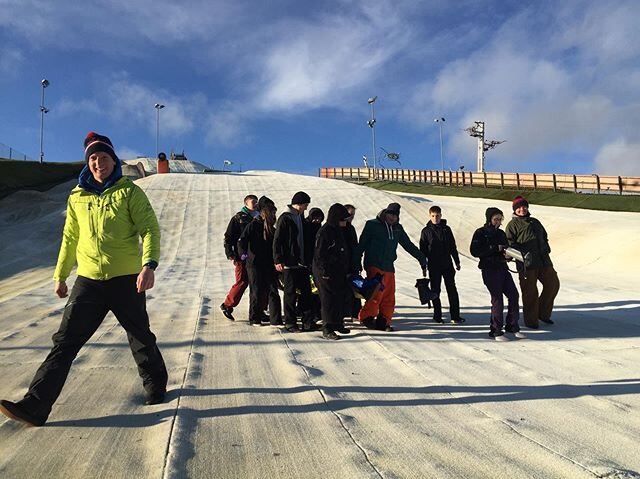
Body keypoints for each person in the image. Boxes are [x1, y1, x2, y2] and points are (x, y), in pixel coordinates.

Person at [0, 132, 168, 427]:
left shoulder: (128, 192)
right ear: (87, 163)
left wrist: (148, 265)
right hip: (88, 279)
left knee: (139, 334)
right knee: (65, 342)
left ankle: (156, 383)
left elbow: (150, 229)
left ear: (113, 161)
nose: (98, 163)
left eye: (103, 157)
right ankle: (36, 405)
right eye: (93, 158)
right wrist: (61, 274)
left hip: (126, 278)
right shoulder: (77, 196)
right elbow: (70, 237)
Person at [354, 202, 426, 332]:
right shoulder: (372, 225)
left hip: (389, 266)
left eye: (395, 215)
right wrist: (356, 261)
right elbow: (362, 244)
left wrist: (422, 259)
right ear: (385, 213)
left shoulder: (398, 229)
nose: (392, 217)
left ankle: (384, 321)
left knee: (389, 295)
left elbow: (408, 245)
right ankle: (367, 317)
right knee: (376, 292)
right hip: (374, 263)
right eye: (390, 214)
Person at [505, 196, 560, 329]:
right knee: (530, 292)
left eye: (524, 207)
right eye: (519, 208)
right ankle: (531, 321)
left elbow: (544, 235)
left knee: (553, 285)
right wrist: (518, 255)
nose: (522, 209)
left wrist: (545, 247)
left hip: (544, 260)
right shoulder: (512, 225)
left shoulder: (535, 221)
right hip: (526, 264)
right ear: (515, 210)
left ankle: (543, 314)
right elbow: (509, 243)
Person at [470, 208, 523, 340]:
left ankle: (512, 325)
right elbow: (475, 251)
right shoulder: (480, 233)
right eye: (495, 219)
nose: (498, 222)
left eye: (500, 219)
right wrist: (494, 248)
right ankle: (496, 330)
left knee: (513, 295)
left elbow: (506, 247)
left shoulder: (501, 233)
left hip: (502, 267)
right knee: (497, 299)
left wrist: (508, 255)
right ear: (489, 219)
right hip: (489, 269)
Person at [273, 191, 317, 332]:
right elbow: (277, 240)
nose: (306, 208)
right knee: (290, 294)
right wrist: (278, 259)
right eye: (305, 205)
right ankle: (290, 323)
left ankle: (308, 322)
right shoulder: (285, 218)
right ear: (298, 204)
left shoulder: (301, 218)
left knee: (307, 293)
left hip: (302, 263)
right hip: (289, 263)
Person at [238, 196, 283, 326]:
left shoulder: (272, 229)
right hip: (254, 264)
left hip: (269, 263)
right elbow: (242, 240)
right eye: (272, 212)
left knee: (273, 290)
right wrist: (244, 255)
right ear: (265, 213)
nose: (274, 215)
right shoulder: (254, 225)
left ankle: (276, 319)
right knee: (256, 290)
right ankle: (254, 318)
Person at [312, 203, 352, 340]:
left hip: (338, 271)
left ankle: (337, 323)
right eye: (343, 219)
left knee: (339, 297)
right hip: (325, 272)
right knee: (328, 299)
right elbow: (319, 255)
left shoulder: (338, 230)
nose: (345, 222)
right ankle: (327, 327)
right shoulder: (325, 232)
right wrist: (324, 271)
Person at [419, 205, 465, 324]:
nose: (435, 218)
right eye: (433, 216)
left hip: (447, 264)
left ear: (441, 215)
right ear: (430, 216)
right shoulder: (426, 231)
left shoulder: (446, 229)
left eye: (437, 215)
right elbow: (422, 250)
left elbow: (452, 246)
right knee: (435, 290)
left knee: (452, 289)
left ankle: (455, 316)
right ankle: (437, 316)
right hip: (434, 265)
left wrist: (457, 261)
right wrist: (423, 266)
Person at [220, 194, 259, 321]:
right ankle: (227, 305)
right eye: (253, 201)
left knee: (256, 283)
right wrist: (230, 253)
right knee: (242, 281)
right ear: (246, 203)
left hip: (256, 256)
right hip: (241, 256)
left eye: (256, 201)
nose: (255, 203)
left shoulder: (259, 216)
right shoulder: (238, 218)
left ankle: (259, 310)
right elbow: (229, 237)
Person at [304, 207, 325, 324]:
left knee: (317, 290)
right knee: (310, 291)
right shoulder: (306, 227)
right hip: (308, 262)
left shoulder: (321, 229)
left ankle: (317, 313)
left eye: (319, 218)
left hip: (317, 263)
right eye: (315, 218)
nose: (316, 221)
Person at [343, 204, 361, 321]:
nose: (351, 217)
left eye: (353, 215)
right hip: (341, 263)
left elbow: (355, 246)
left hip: (352, 263)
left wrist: (358, 261)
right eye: (349, 214)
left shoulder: (351, 228)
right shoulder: (337, 227)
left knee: (354, 288)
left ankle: (355, 312)